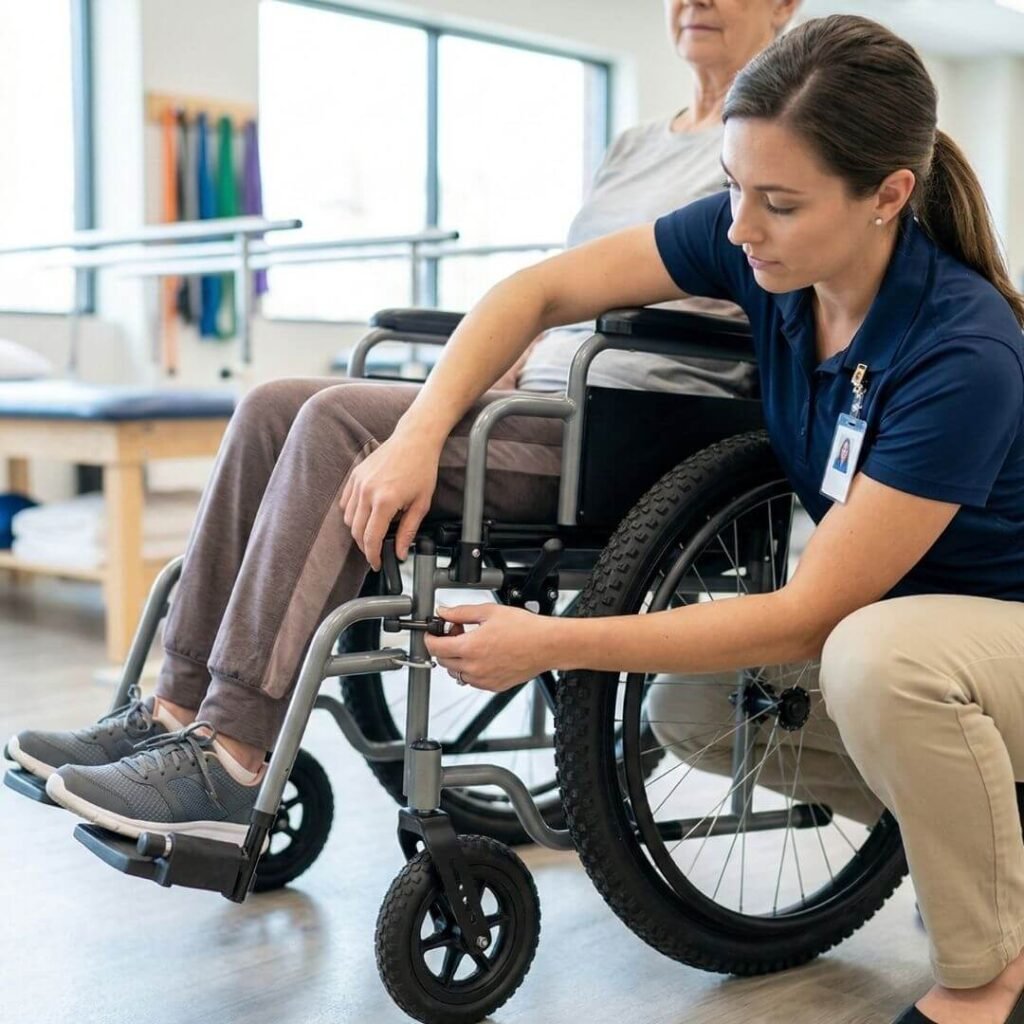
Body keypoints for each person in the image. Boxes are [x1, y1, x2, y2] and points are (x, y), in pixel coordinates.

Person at [8, 11, 1024, 1023]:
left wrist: (556, 643)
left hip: (987, 629)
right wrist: (419, 429)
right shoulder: (765, 256)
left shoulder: (958, 351)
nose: (740, 225)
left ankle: (986, 983)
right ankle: (182, 718)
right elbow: (537, 289)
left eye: (778, 203)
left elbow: (808, 617)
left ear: (888, 195)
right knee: (691, 709)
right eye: (731, 190)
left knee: (872, 659)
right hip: (916, 634)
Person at [7, 0, 800, 815]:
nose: (695, 0)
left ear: (784, 6)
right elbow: (559, 292)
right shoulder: (637, 145)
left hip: (636, 425)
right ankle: (173, 711)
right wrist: (487, 379)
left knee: (337, 425)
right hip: (542, 400)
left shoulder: (771, 151)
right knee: (274, 404)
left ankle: (235, 754)